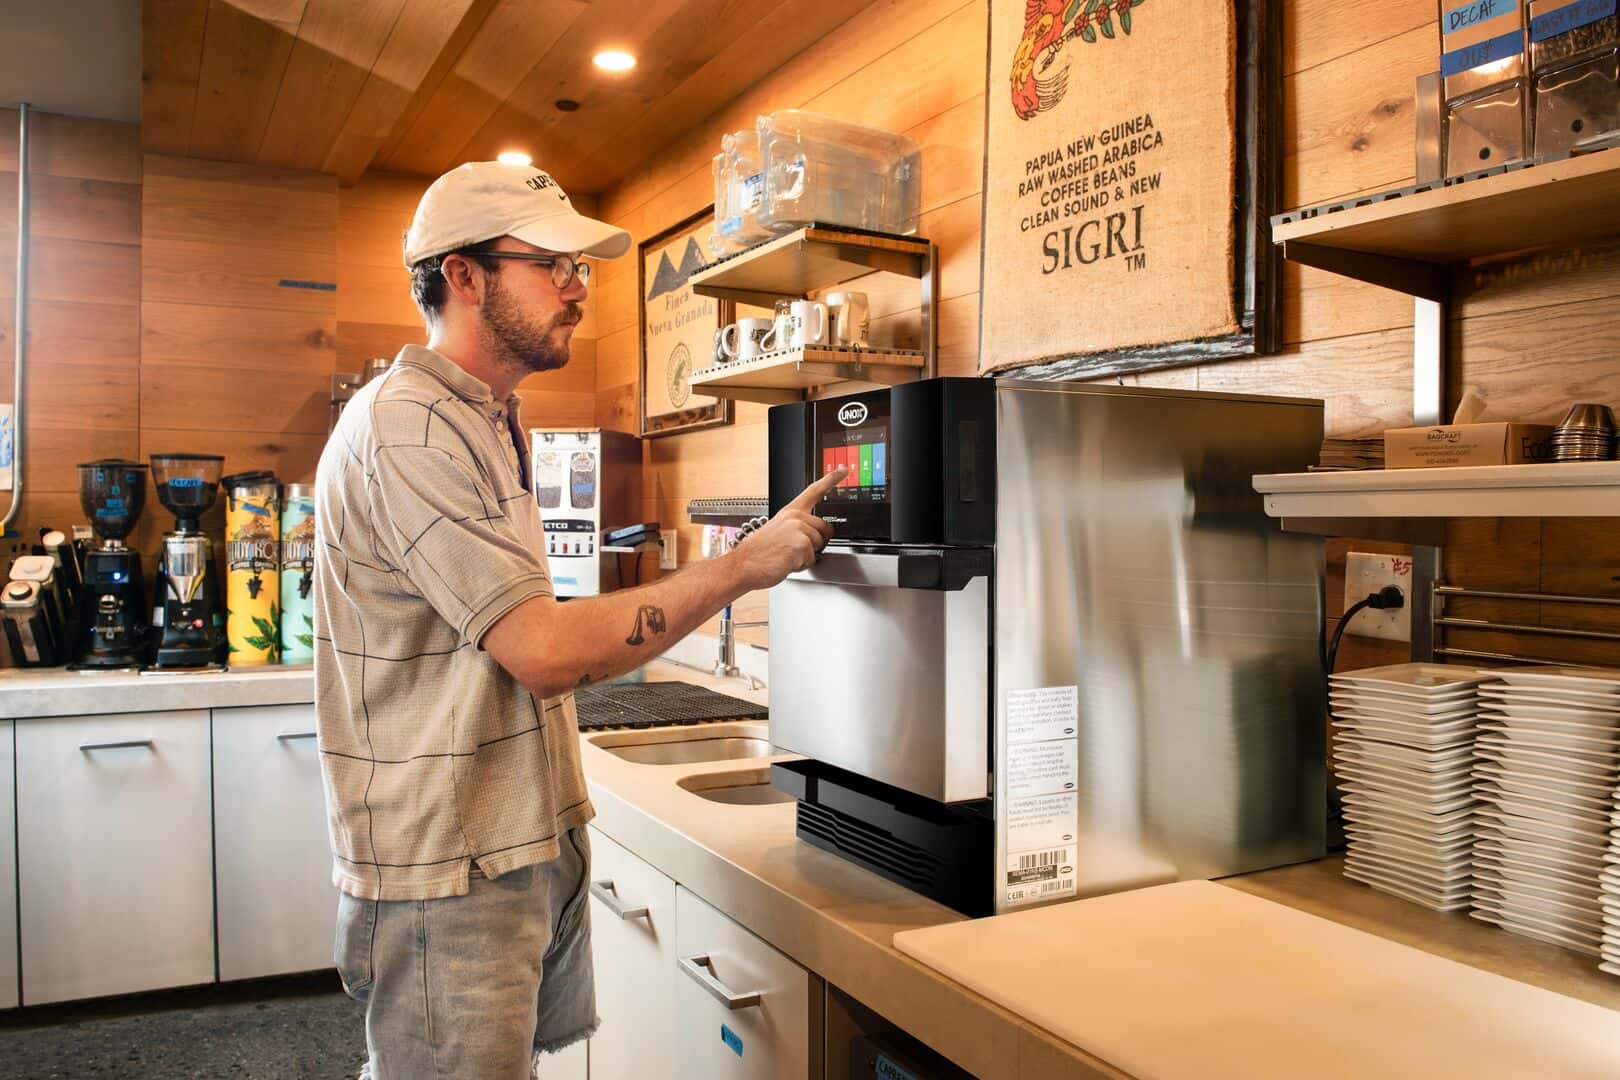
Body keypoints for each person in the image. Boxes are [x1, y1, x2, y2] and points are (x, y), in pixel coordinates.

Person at [312, 161, 844, 1079]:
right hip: (449, 863)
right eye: (551, 264)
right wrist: (744, 565)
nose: (576, 288)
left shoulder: (483, 419)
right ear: (462, 275)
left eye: (580, 268)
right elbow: (545, 649)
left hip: (501, 841)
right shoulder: (410, 427)